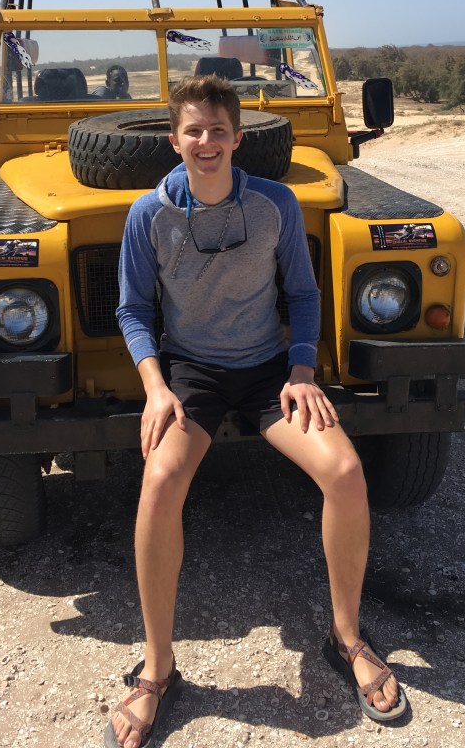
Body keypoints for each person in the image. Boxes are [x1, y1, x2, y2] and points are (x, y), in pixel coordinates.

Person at [106, 76, 406, 748]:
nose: (206, 142)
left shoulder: (274, 203)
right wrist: (156, 387)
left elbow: (302, 293)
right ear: (174, 139)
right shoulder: (148, 214)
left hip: (269, 369)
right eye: (193, 130)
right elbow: (131, 309)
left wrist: (302, 372)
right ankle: (157, 670)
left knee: (347, 473)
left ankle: (347, 637)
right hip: (192, 373)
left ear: (238, 138)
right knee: (159, 483)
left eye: (218, 130)